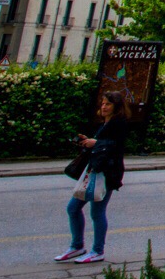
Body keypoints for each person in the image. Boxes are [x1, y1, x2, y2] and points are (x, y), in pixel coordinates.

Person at [55, 92, 128, 263]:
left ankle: (97, 250)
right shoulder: (106, 123)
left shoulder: (119, 123)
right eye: (102, 103)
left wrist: (96, 143)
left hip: (107, 173)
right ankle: (77, 246)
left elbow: (117, 147)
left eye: (108, 104)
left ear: (116, 107)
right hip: (94, 170)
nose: (103, 107)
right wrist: (89, 141)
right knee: (73, 208)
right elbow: (103, 145)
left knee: (97, 212)